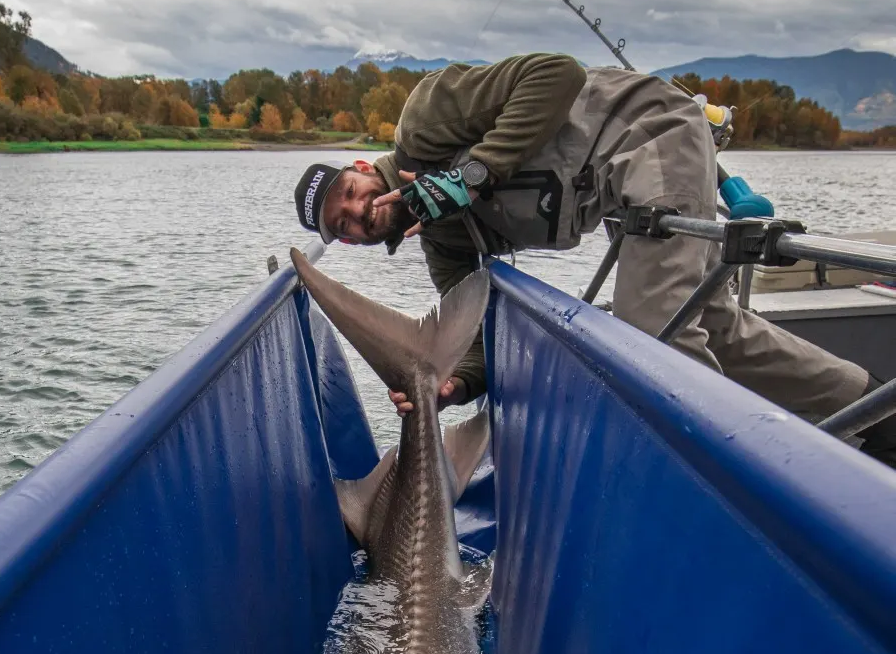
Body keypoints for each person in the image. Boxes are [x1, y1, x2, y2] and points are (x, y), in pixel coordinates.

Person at [293, 54, 896, 463]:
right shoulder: (443, 238)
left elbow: (556, 75)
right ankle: (871, 410)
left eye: (350, 193)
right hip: (622, 192)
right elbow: (469, 327)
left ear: (366, 169)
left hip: (649, 134)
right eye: (341, 227)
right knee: (715, 325)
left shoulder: (425, 122)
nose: (356, 213)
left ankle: (737, 488)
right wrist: (456, 383)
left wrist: (471, 174)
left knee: (652, 339)